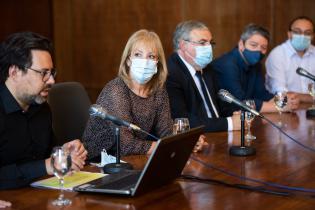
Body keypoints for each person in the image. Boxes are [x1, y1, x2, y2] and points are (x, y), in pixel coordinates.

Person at [0, 32, 87, 190]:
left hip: (39, 194)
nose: (52, 81)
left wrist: (62, 153)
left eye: (51, 73)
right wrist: (46, 166)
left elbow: (46, 157)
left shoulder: (41, 108)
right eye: (43, 73)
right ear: (14, 73)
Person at [83, 29, 175, 159]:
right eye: (138, 54)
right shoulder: (116, 90)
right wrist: (163, 146)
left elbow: (166, 131)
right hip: (100, 161)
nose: (145, 61)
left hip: (134, 158)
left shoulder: (158, 90)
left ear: (157, 64)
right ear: (128, 60)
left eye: (151, 56)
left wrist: (185, 142)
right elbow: (126, 145)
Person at [166, 20, 241, 132]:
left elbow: (220, 105)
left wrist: (234, 114)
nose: (209, 47)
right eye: (202, 43)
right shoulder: (171, 73)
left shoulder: (207, 68)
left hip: (220, 135)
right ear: (183, 45)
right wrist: (229, 123)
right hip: (200, 139)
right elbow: (182, 120)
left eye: (211, 43)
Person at [211, 24, 299, 113]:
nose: (258, 50)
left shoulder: (255, 64)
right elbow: (238, 103)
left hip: (248, 117)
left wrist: (284, 100)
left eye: (263, 47)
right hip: (227, 119)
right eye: (253, 45)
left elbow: (261, 94)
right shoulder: (226, 65)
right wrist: (279, 106)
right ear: (241, 44)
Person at [265, 16, 315, 103]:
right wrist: (310, 98)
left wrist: (300, 97)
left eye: (307, 33)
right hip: (284, 110)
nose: (302, 36)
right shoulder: (277, 54)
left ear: (313, 36)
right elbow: (281, 94)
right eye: (297, 32)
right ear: (289, 34)